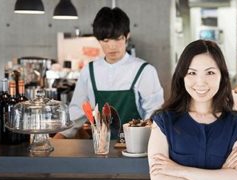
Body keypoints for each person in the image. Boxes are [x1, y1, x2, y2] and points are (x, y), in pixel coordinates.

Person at [148, 40, 237, 180]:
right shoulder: (163, 121)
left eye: (210, 73)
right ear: (182, 76)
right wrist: (221, 177)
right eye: (192, 72)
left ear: (222, 76)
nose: (200, 82)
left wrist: (179, 171)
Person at [55, 7, 163, 139]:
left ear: (127, 36)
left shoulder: (144, 70)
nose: (112, 46)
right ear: (98, 40)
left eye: (118, 39)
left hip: (136, 146)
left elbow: (155, 113)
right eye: (105, 41)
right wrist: (60, 137)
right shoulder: (90, 71)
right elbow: (77, 111)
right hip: (101, 146)